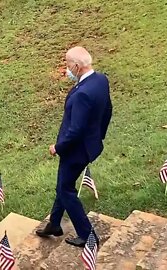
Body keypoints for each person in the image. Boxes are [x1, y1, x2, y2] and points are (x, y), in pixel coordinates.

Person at [35, 46, 112, 247]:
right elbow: (108, 110)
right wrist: (97, 136)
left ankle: (87, 235)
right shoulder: (100, 80)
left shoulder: (82, 94)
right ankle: (54, 224)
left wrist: (58, 147)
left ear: (77, 66)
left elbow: (75, 131)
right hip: (89, 145)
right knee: (63, 184)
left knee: (65, 189)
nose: (65, 69)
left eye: (67, 64)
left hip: (75, 151)